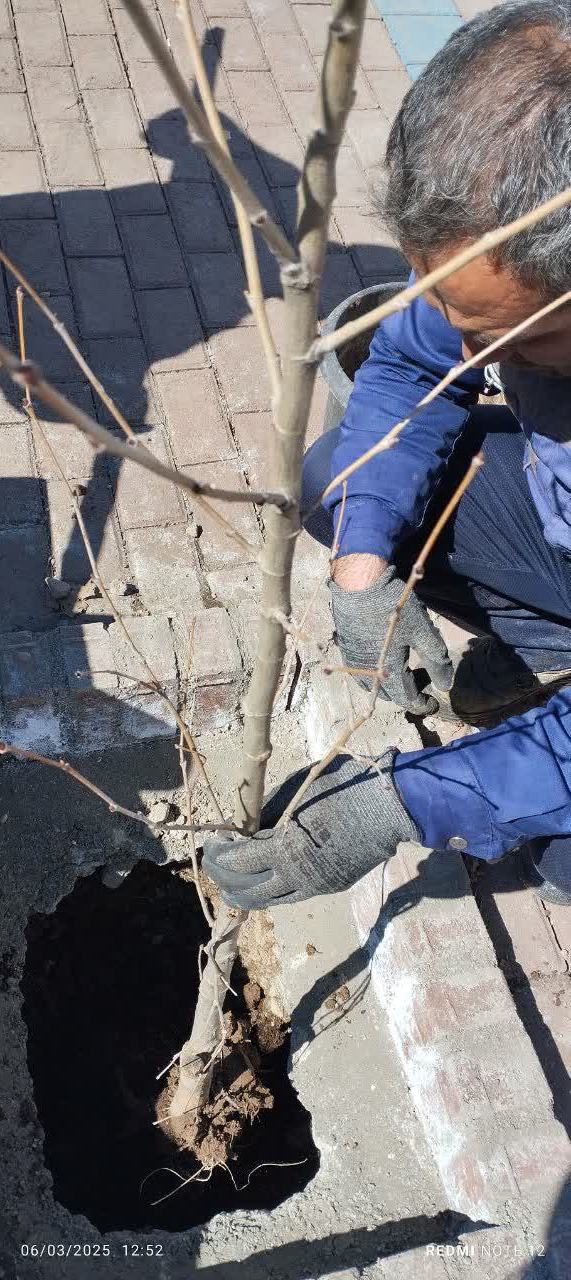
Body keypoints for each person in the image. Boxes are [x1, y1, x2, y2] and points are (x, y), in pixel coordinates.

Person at [204, 0, 571, 910]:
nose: (474, 358)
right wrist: (364, 572)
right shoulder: (506, 236)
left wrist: (404, 803)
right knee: (342, 482)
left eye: (513, 341)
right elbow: (410, 366)